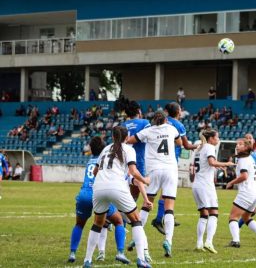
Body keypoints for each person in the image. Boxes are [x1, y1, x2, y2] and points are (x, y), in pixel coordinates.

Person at [82, 127, 152, 268]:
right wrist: (145, 180)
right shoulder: (128, 149)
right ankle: (140, 260)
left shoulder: (105, 149)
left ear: (113, 137)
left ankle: (87, 261)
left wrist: (104, 181)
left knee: (97, 223)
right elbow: (133, 171)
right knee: (136, 220)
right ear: (127, 137)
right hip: (117, 186)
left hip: (99, 187)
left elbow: (96, 171)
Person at [128, 110, 182, 258]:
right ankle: (168, 241)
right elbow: (179, 143)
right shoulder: (172, 129)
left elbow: (130, 140)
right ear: (166, 120)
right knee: (169, 208)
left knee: (147, 204)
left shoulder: (148, 131)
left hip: (154, 171)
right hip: (170, 169)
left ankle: (136, 237)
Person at [68, 137, 130, 264]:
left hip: (84, 194)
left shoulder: (90, 161)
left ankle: (72, 253)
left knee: (79, 224)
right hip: (98, 194)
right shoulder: (105, 159)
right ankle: (120, 253)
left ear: (91, 149)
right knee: (118, 221)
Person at [150, 102, 198, 235]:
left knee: (159, 191)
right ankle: (160, 218)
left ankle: (165, 216)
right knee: (167, 191)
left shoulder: (160, 122)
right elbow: (186, 145)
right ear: (178, 111)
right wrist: (198, 146)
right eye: (181, 109)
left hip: (157, 159)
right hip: (170, 161)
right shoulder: (178, 125)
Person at [192, 129, 235, 253]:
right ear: (211, 138)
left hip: (197, 185)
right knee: (214, 213)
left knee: (203, 214)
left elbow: (207, 164)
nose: (218, 139)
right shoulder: (210, 147)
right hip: (206, 185)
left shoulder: (199, 148)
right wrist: (226, 163)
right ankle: (209, 242)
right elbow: (211, 162)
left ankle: (199, 243)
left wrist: (218, 165)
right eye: (217, 137)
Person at [226, 138, 256, 248]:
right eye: (237, 144)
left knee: (233, 217)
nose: (237, 146)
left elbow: (244, 176)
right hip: (255, 192)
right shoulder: (250, 158)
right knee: (246, 217)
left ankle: (235, 241)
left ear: (246, 147)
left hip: (247, 192)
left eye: (240, 144)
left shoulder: (243, 160)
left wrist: (231, 182)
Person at [122, 101, 151, 200]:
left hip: (124, 160)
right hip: (138, 160)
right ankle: (127, 211)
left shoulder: (122, 125)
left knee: (124, 187)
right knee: (135, 191)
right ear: (138, 110)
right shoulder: (144, 123)